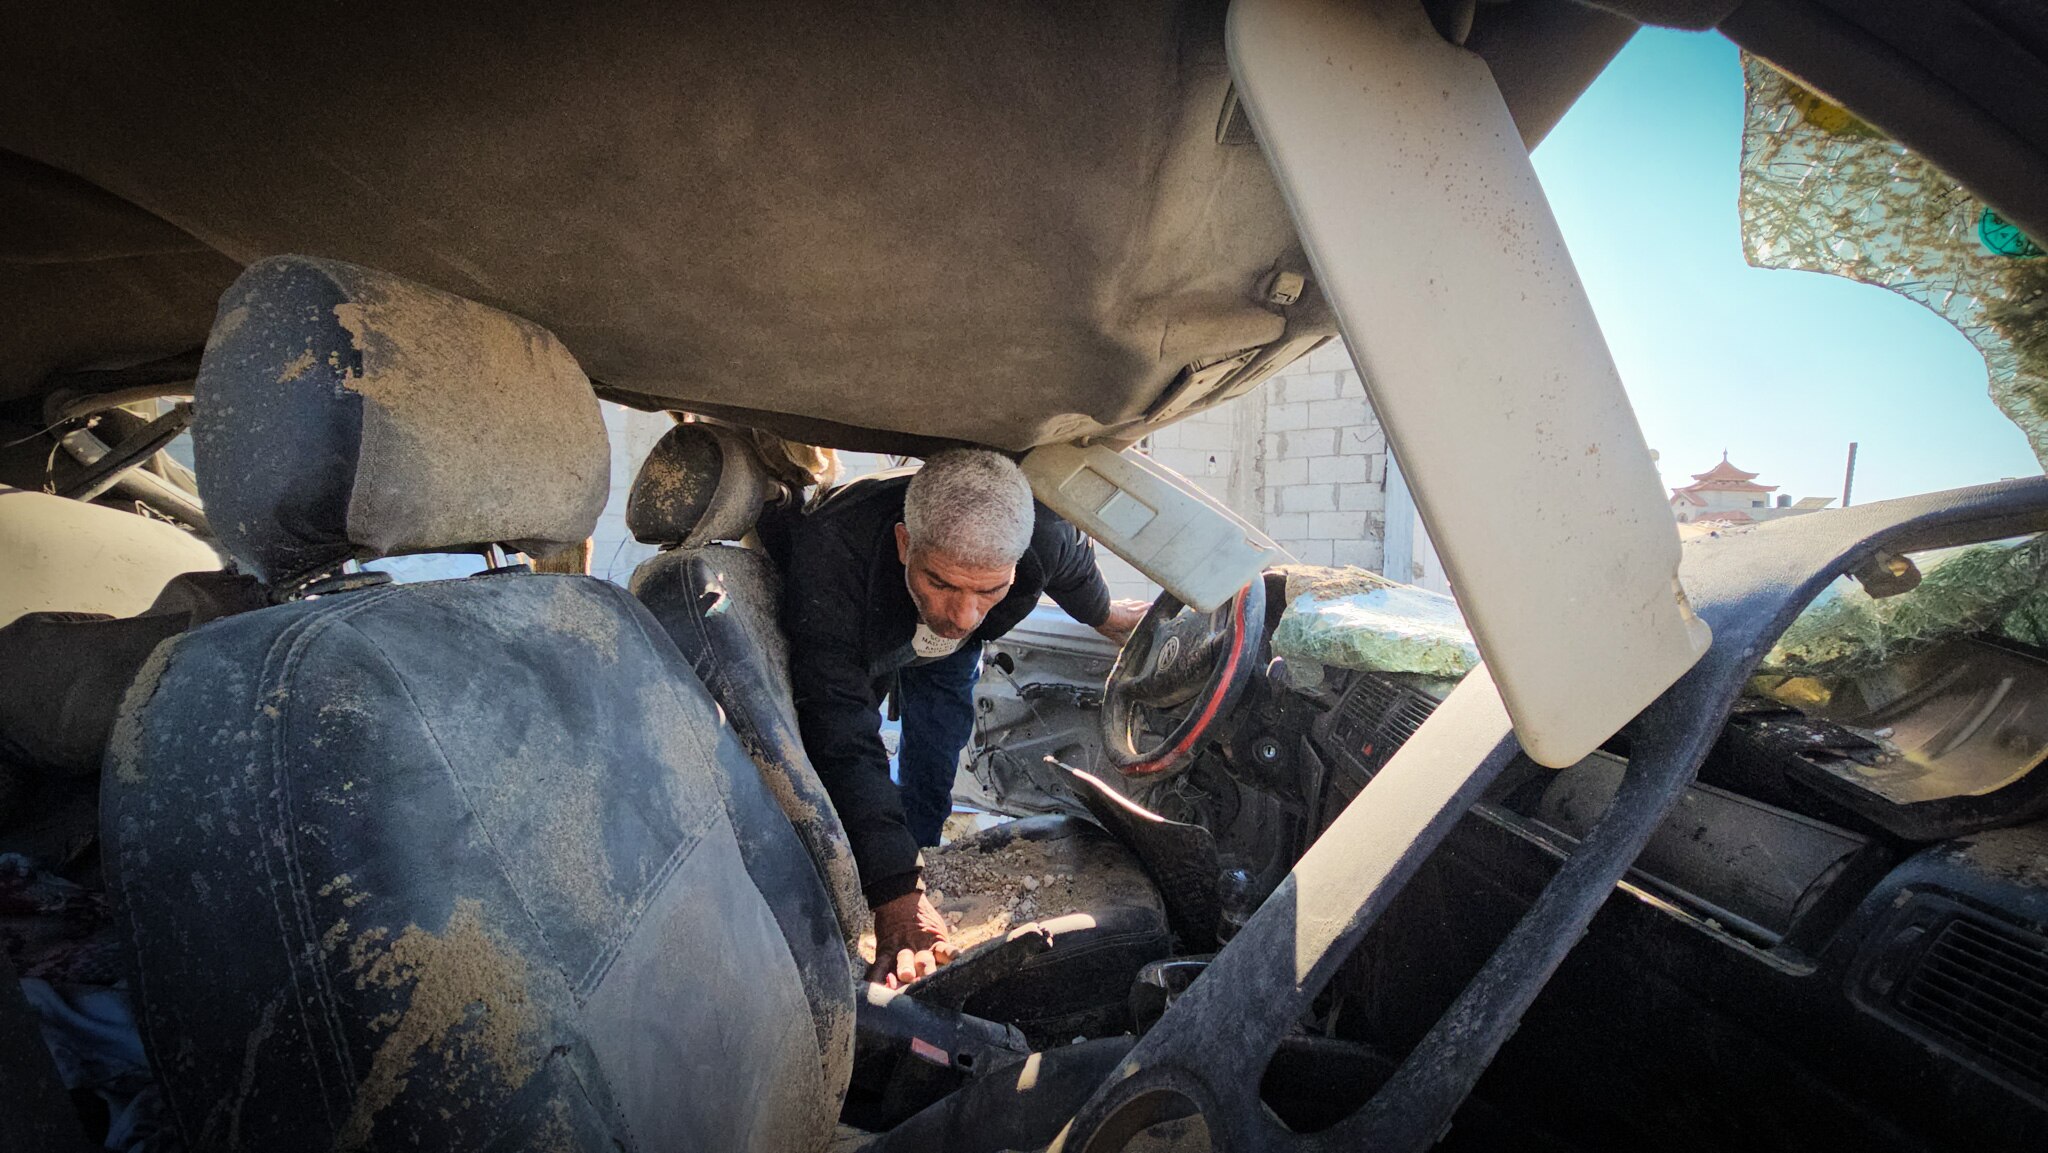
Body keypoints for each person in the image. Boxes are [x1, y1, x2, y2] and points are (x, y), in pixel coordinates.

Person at [761, 449, 1148, 987]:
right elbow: (841, 729)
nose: (963, 614)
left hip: (949, 659)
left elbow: (1075, 569)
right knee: (862, 757)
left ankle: (921, 849)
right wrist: (896, 896)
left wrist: (1105, 616)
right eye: (943, 583)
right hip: (868, 626)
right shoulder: (831, 553)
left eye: (990, 590)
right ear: (905, 544)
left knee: (937, 752)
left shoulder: (1043, 537)